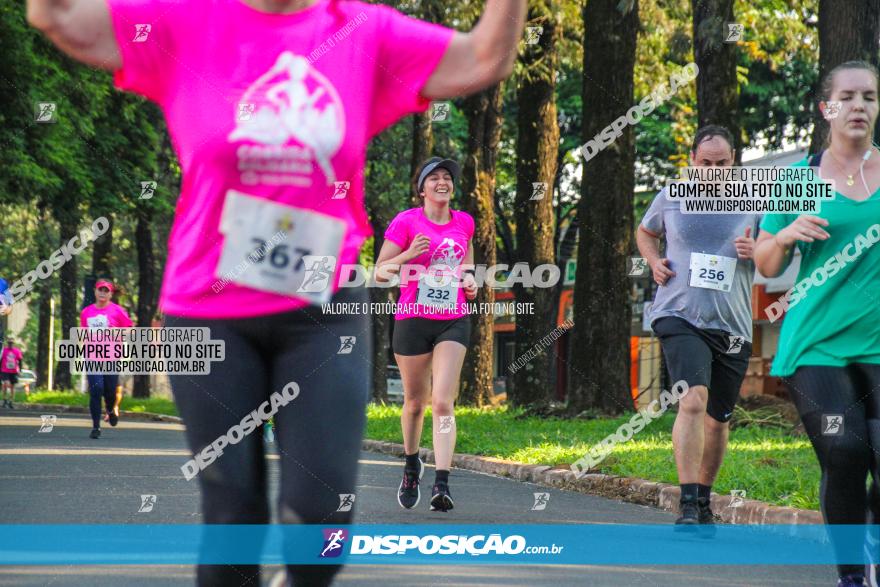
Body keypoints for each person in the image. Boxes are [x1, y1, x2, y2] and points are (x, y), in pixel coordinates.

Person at [28, 0, 525, 584]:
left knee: (322, 517)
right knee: (233, 514)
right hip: (210, 310)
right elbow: (55, 14)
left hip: (323, 310)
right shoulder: (183, 21)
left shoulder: (364, 31)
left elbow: (486, 53)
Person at [755, 61, 880, 587]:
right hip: (816, 348)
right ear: (827, 108)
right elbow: (765, 262)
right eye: (847, 97)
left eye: (870, 97)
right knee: (846, 448)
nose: (859, 106)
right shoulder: (799, 179)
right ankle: (853, 575)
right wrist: (784, 237)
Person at [636, 125, 759, 525]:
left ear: (733, 162)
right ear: (693, 161)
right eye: (705, 164)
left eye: (722, 164)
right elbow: (645, 231)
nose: (713, 171)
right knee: (692, 399)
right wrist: (654, 261)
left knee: (719, 418)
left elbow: (779, 252)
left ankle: (704, 499)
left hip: (733, 322)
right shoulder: (672, 196)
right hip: (679, 313)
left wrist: (757, 250)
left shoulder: (756, 201)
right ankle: (687, 501)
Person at [375, 157, 477, 512]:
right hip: (413, 318)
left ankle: (442, 483)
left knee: (443, 401)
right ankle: (410, 464)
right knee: (416, 403)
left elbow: (467, 262)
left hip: (453, 318)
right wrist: (408, 254)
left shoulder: (464, 222)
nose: (442, 182)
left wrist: (469, 279)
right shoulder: (406, 221)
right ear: (422, 189)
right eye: (433, 177)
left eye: (447, 177)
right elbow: (379, 273)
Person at [80, 280, 133, 439]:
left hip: (111, 358)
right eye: (100, 290)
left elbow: (129, 330)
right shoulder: (86, 312)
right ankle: (96, 427)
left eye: (106, 290)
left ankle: (110, 409)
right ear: (95, 292)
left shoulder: (118, 311)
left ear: (110, 294)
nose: (103, 293)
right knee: (96, 390)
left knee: (110, 392)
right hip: (92, 357)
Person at [0, 340, 24, 409]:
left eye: (11, 343)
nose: (10, 344)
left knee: (12, 386)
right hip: (5, 370)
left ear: (13, 344)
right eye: (9, 343)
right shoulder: (4, 351)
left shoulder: (17, 351)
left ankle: (11, 401)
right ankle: (4, 399)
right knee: (6, 384)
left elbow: (20, 361)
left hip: (14, 371)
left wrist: (20, 370)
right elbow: (1, 360)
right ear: (8, 344)